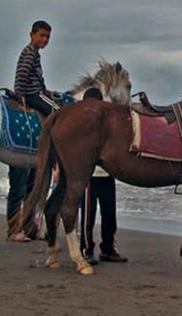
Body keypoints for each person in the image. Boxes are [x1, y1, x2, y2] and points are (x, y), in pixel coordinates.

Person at [7, 20, 55, 241]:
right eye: (41, 36)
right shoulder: (30, 52)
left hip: (36, 91)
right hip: (30, 93)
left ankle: (27, 225)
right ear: (32, 35)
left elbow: (35, 76)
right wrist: (21, 96)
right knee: (57, 112)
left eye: (47, 37)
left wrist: (45, 88)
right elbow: (23, 75)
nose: (44, 40)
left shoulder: (35, 53)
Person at [78, 87, 127, 264]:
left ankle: (108, 248)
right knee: (88, 215)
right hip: (89, 175)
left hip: (107, 172)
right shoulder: (81, 123)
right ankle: (86, 249)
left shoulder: (107, 121)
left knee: (109, 214)